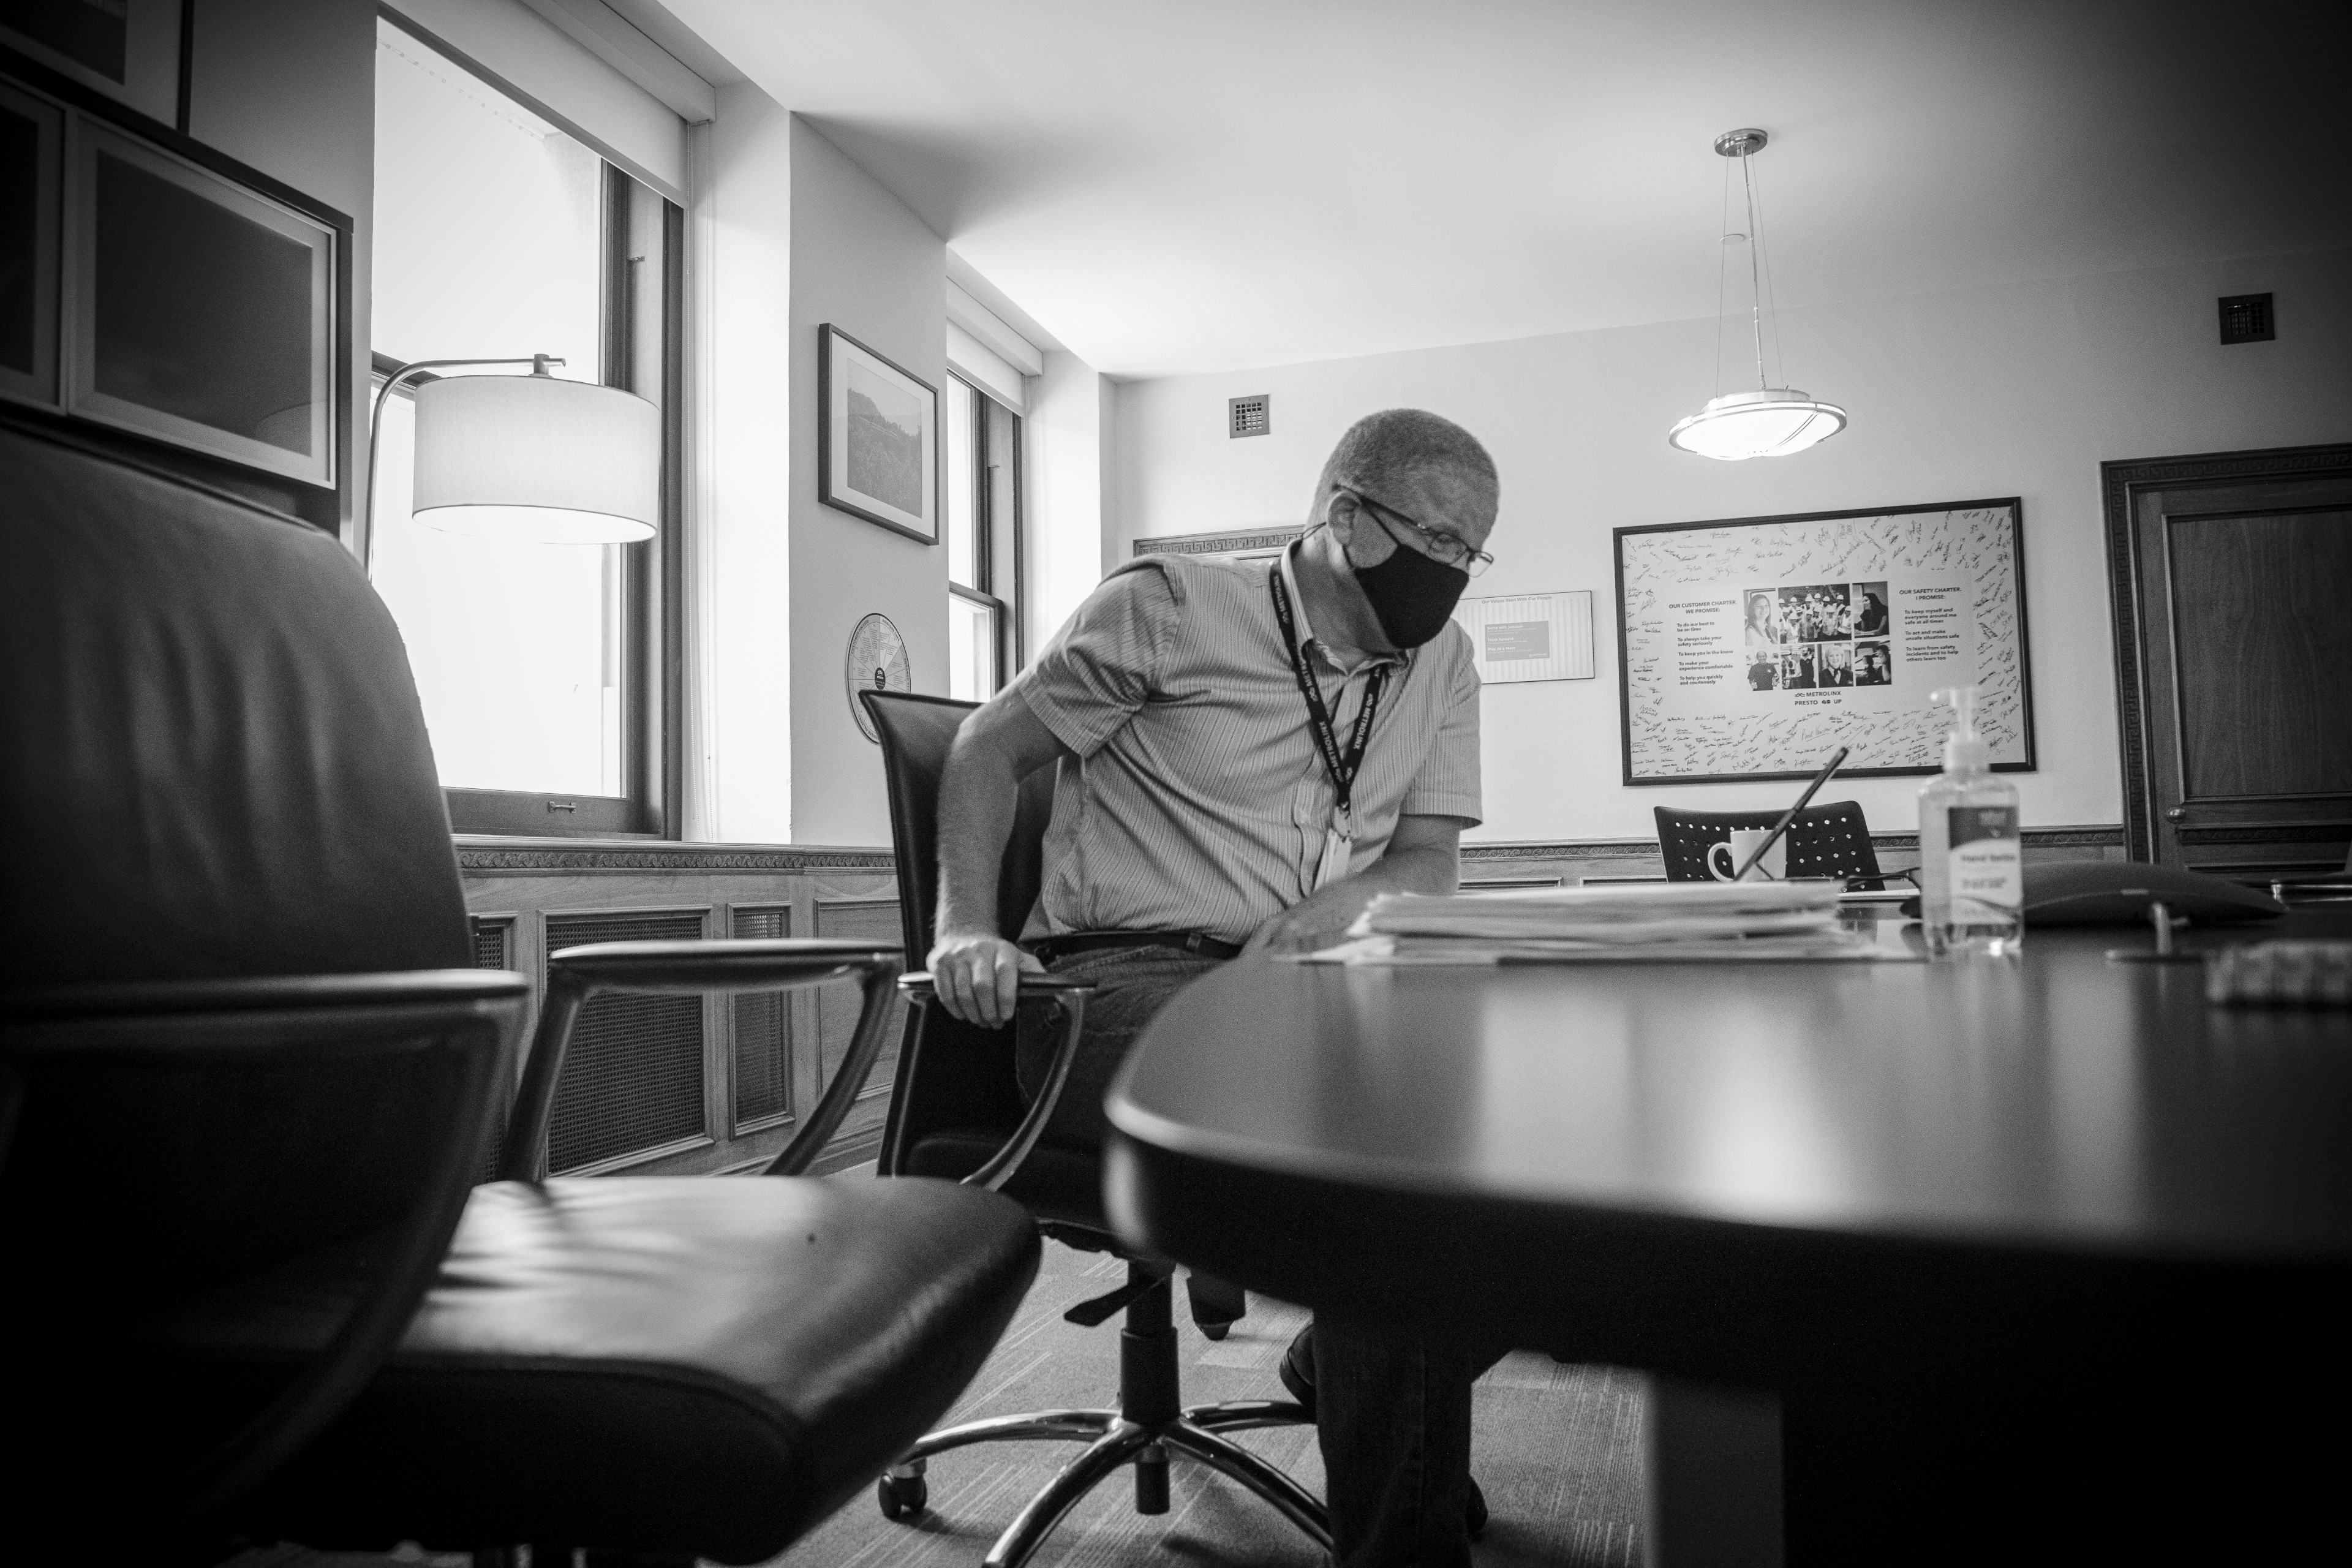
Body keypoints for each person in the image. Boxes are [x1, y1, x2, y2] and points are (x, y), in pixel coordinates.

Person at [927, 408, 1501, 1568]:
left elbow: (1426, 857)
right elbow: (989, 749)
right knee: (1381, 1162)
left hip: (1308, 982)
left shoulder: (1442, 660)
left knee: (1515, 1124)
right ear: (1347, 518)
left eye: (1472, 553)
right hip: (1116, 985)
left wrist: (1310, 925)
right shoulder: (1169, 609)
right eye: (1434, 540)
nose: (1452, 575)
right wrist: (964, 927)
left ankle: (1336, 1356)